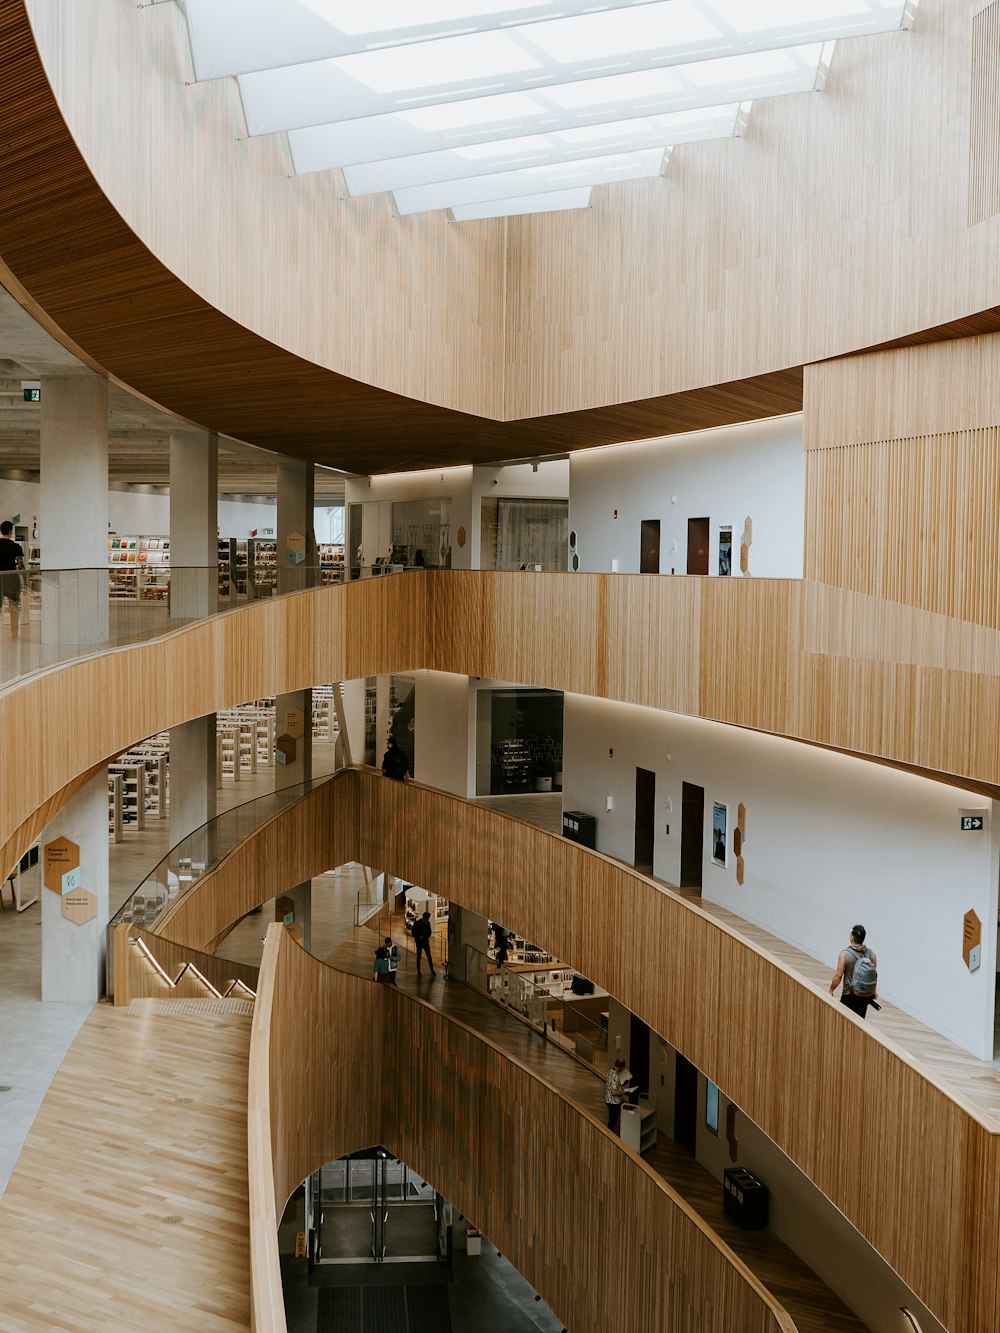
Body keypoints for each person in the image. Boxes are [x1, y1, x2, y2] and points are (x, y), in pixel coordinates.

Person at [829, 923, 879, 1019]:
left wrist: (831, 990)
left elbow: (838, 976)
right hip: (865, 996)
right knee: (859, 1024)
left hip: (849, 995)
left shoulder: (845, 954)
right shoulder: (871, 954)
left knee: (844, 1023)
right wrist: (874, 991)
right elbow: (874, 975)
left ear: (852, 937)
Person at [0, 520, 25, 640]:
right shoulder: (16, 547)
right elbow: (21, 566)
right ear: (11, 532)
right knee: (14, 608)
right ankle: (14, 632)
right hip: (12, 581)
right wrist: (24, 582)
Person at [605, 1058, 635, 1134]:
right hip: (613, 1102)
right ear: (622, 1067)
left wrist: (622, 1083)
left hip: (608, 1099)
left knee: (612, 1119)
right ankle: (611, 1135)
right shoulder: (615, 1076)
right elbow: (614, 1092)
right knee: (613, 1121)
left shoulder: (610, 1072)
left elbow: (613, 1085)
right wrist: (624, 1092)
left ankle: (610, 1134)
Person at [412, 909, 436, 978]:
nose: (428, 919)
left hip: (425, 942)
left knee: (429, 957)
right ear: (424, 917)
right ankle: (419, 971)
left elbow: (429, 932)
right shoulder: (417, 923)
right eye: (427, 918)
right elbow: (413, 932)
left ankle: (431, 970)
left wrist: (424, 936)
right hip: (419, 942)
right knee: (419, 957)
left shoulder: (427, 923)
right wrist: (419, 936)